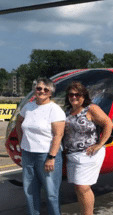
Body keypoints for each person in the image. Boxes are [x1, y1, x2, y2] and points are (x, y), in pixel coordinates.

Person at [16, 78, 66, 215]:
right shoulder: (28, 106)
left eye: (46, 89)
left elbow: (58, 135)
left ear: (50, 93)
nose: (42, 91)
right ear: (34, 90)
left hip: (46, 155)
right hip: (28, 155)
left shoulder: (55, 110)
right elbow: (19, 122)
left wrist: (51, 157)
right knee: (30, 192)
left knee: (51, 194)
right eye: (39, 88)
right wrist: (22, 143)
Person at [63, 81, 113, 215]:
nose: (73, 97)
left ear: (84, 96)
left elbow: (108, 124)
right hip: (72, 155)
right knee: (79, 189)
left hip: (88, 155)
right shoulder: (67, 111)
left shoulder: (91, 109)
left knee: (83, 188)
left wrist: (100, 144)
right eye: (71, 94)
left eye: (77, 94)